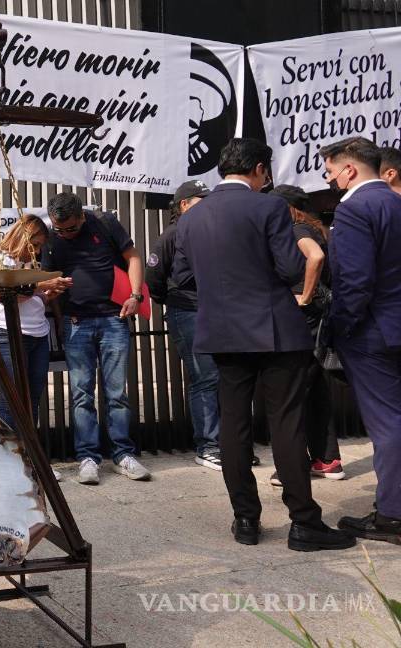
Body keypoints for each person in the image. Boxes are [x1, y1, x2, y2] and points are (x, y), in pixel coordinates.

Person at [172, 137, 354, 552]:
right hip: (274, 328)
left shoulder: (191, 218)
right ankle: (304, 523)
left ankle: (246, 520)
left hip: (222, 330)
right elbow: (291, 267)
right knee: (286, 424)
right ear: (258, 168)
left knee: (233, 428)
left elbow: (181, 277)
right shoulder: (268, 206)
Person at [319, 137, 401, 546]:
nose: (331, 180)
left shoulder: (354, 209)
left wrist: (342, 327)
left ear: (350, 169)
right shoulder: (396, 202)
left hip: (372, 332)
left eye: (331, 171)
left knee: (388, 425)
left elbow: (355, 281)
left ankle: (392, 515)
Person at [41, 192, 151, 485]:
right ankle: (87, 457)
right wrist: (56, 305)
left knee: (116, 392)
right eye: (59, 229)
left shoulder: (104, 223)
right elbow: (48, 279)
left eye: (71, 228)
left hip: (113, 318)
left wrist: (135, 296)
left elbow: (134, 257)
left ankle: (122, 455)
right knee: (81, 393)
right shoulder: (51, 237)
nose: (64, 233)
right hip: (75, 321)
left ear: (82, 216)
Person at [145, 179, 225, 471]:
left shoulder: (216, 232)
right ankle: (209, 446)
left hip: (217, 311)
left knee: (224, 378)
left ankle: (227, 445)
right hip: (188, 312)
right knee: (205, 378)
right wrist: (174, 300)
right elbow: (153, 277)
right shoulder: (172, 235)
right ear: (184, 204)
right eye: (201, 200)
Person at [268, 185, 344, 484]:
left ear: (288, 209)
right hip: (317, 320)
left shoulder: (298, 229)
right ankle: (327, 460)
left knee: (293, 391)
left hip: (304, 318)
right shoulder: (316, 228)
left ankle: (293, 465)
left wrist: (305, 295)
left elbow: (314, 258)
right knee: (315, 390)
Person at [0, 214, 70, 430]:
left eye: (40, 246)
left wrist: (47, 294)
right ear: (22, 237)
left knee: (32, 398)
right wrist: (42, 284)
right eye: (34, 244)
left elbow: (30, 298)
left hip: (38, 334)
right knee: (11, 399)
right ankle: (6, 456)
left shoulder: (31, 261)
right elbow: (5, 296)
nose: (38, 250)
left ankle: (29, 454)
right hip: (8, 333)